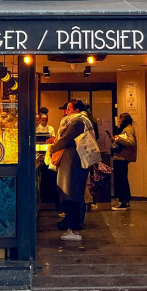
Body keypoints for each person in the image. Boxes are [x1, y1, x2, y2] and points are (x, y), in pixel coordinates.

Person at [50, 99, 91, 241]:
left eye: (69, 109)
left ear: (76, 110)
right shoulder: (84, 121)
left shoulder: (78, 122)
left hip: (73, 162)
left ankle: (75, 230)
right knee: (74, 193)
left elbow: (67, 139)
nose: (66, 112)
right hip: (76, 162)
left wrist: (54, 147)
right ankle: (73, 228)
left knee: (73, 193)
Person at [111, 112, 137, 211]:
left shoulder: (128, 129)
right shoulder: (127, 129)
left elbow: (131, 143)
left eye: (120, 120)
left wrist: (118, 139)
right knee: (122, 179)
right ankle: (124, 201)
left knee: (121, 180)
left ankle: (123, 201)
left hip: (121, 158)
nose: (118, 122)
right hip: (122, 158)